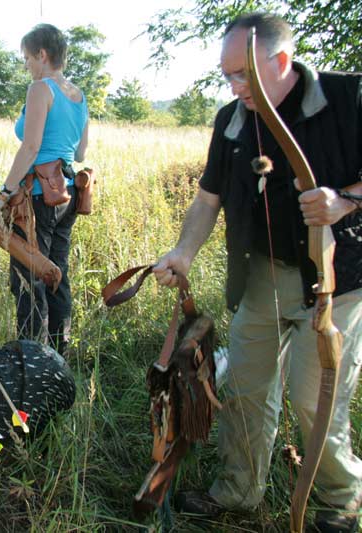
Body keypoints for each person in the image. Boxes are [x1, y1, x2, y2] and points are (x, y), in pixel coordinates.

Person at [153, 12, 362, 532]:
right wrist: (183, 252)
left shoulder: (347, 100)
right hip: (260, 277)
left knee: (316, 401)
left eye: (242, 73)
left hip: (336, 283)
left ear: (281, 61)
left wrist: (342, 201)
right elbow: (208, 198)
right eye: (227, 75)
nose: (234, 85)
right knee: (244, 387)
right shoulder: (232, 120)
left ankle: (341, 498)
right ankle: (239, 491)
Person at [0, 23, 88, 356]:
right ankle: (59, 357)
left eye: (27, 58)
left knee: (30, 279)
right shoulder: (78, 95)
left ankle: (31, 362)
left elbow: (31, 147)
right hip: (67, 192)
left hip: (37, 196)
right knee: (56, 274)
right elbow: (79, 154)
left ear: (42, 54)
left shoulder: (40, 90)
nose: (27, 66)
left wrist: (5, 193)